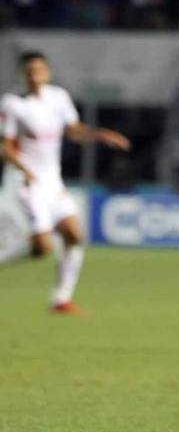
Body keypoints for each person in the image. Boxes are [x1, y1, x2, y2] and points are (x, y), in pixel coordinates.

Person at [0, 51, 132, 314]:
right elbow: (6, 148)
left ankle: (61, 299)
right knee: (43, 248)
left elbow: (74, 130)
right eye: (29, 72)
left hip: (52, 182)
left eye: (38, 71)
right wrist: (23, 169)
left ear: (47, 72)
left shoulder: (58, 97)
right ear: (22, 75)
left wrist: (100, 134)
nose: (34, 76)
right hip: (27, 182)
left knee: (74, 235)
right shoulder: (13, 103)